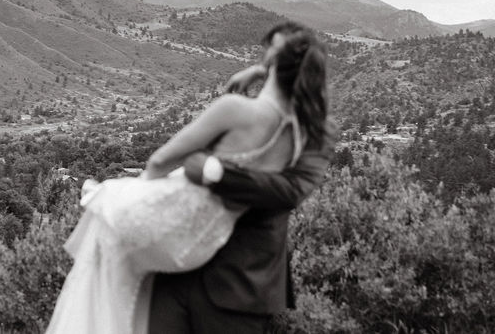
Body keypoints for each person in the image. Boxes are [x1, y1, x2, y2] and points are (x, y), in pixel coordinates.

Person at [44, 22, 332, 334]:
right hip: (235, 281)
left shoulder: (237, 110)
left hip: (184, 260)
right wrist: (265, 71)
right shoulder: (309, 133)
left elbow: (160, 162)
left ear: (274, 62)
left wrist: (189, 181)